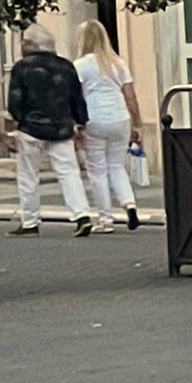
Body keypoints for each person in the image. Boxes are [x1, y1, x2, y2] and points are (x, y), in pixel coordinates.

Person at [3, 25, 91, 238]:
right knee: (69, 173)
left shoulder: (22, 68)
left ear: (30, 45)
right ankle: (82, 216)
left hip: (31, 129)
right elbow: (77, 99)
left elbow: (15, 101)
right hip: (61, 128)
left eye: (24, 43)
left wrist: (19, 121)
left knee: (28, 175)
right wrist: (80, 122)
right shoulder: (67, 67)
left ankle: (30, 221)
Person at [71, 20, 142, 234]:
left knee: (97, 171)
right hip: (120, 118)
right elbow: (130, 97)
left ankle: (105, 219)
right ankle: (129, 204)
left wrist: (76, 124)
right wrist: (137, 124)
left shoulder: (80, 65)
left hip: (94, 119)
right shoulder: (118, 63)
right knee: (117, 166)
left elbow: (76, 97)